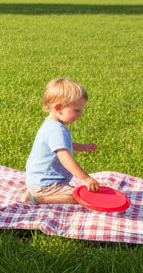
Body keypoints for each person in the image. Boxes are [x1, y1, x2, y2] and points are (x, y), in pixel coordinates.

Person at [22, 78, 98, 206]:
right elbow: (64, 157)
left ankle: (38, 195)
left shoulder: (50, 124)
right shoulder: (57, 130)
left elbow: (61, 146)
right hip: (46, 185)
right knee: (81, 198)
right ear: (59, 108)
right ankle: (38, 199)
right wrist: (84, 178)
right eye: (76, 110)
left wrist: (82, 147)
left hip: (38, 181)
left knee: (82, 195)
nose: (80, 114)